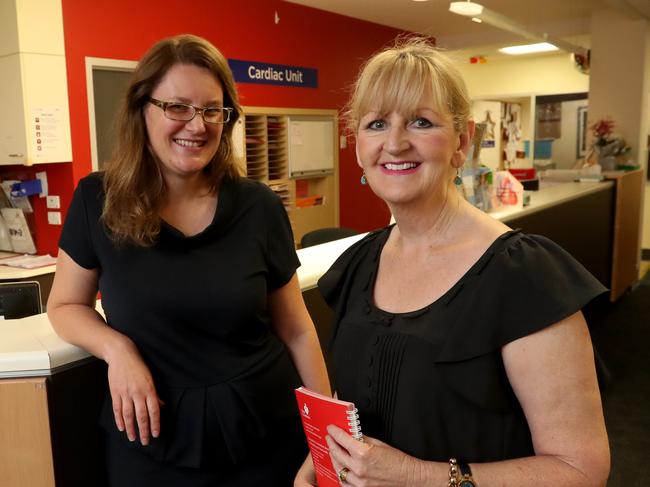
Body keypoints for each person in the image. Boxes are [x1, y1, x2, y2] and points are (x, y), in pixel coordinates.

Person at [295, 37, 610, 487]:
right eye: (377, 123)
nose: (396, 143)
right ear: (358, 145)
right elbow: (354, 405)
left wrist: (418, 476)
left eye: (421, 122)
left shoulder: (523, 275)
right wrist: (319, 465)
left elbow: (581, 470)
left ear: (461, 142)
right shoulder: (360, 263)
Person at [47, 34, 330, 487]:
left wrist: (325, 432)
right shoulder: (97, 200)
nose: (196, 125)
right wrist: (117, 350)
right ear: (143, 109)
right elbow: (64, 306)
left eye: (211, 110)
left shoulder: (258, 206)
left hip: (266, 433)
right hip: (151, 441)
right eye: (177, 107)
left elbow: (296, 328)